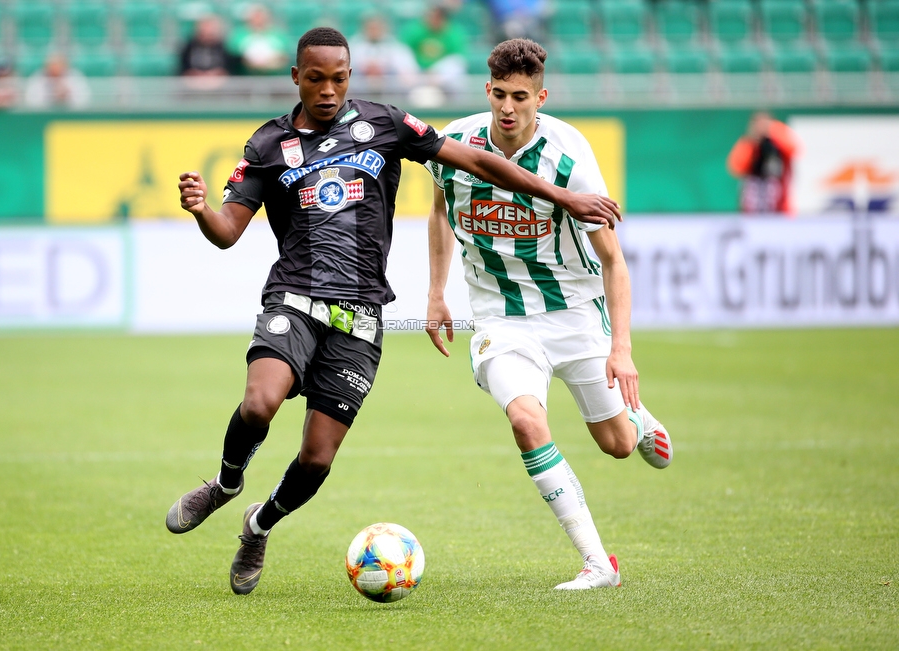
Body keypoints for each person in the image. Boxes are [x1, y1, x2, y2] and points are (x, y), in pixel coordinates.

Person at [169, 27, 622, 597]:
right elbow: (228, 232)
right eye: (316, 79)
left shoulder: (385, 124)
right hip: (294, 297)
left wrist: (565, 197)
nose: (328, 90)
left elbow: (478, 162)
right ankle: (226, 484)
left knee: (315, 459)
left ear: (350, 76)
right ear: (296, 78)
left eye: (338, 78)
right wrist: (202, 209)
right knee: (260, 402)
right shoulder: (267, 145)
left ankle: (258, 526)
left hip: (360, 318)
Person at [425, 38, 673, 591]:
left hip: (573, 312)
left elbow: (613, 260)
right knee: (525, 420)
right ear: (486, 91)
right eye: (499, 96)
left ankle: (637, 419)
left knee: (617, 445)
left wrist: (622, 350)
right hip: (499, 319)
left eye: (520, 97)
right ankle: (597, 563)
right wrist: (437, 292)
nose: (508, 109)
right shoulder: (458, 143)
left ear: (541, 96)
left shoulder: (570, 157)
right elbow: (441, 210)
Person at [726, 111, 800, 215]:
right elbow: (736, 167)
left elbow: (794, 149)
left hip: (779, 208)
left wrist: (773, 129)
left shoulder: (779, 142)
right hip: (753, 208)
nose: (761, 128)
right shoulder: (749, 143)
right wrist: (752, 142)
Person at [399, 4, 468, 99]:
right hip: (416, 73)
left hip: (439, 76)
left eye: (437, 17)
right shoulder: (417, 29)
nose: (433, 19)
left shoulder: (452, 33)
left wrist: (434, 73)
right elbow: (404, 51)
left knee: (457, 63)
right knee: (401, 55)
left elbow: (457, 59)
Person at [348, 13, 420, 98]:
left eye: (377, 27)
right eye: (371, 27)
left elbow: (410, 74)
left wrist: (384, 69)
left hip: (391, 93)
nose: (374, 31)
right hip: (358, 92)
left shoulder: (397, 47)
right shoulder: (352, 47)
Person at [227, 4, 291, 75]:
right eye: (255, 16)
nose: (258, 19)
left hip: (274, 75)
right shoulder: (238, 35)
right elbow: (234, 56)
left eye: (260, 16)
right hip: (245, 76)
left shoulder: (279, 35)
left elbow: (284, 56)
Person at [178, 14, 238, 83]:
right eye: (205, 28)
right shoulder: (188, 46)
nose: (207, 31)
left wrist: (217, 74)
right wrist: (194, 74)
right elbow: (183, 69)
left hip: (220, 84)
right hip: (193, 83)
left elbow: (229, 69)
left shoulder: (224, 47)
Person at [25, 52, 90, 109]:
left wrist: (67, 96)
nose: (56, 78)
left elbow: (85, 100)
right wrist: (52, 97)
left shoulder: (75, 77)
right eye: (53, 74)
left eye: (59, 74)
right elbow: (31, 101)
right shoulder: (38, 79)